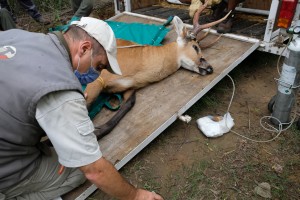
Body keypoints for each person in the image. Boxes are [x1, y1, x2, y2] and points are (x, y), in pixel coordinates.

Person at [0, 17, 163, 200]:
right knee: (76, 171)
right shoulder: (62, 92)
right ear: (84, 48)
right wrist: (136, 195)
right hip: (6, 167)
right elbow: (94, 170)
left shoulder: (18, 36)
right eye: (99, 66)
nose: (97, 75)